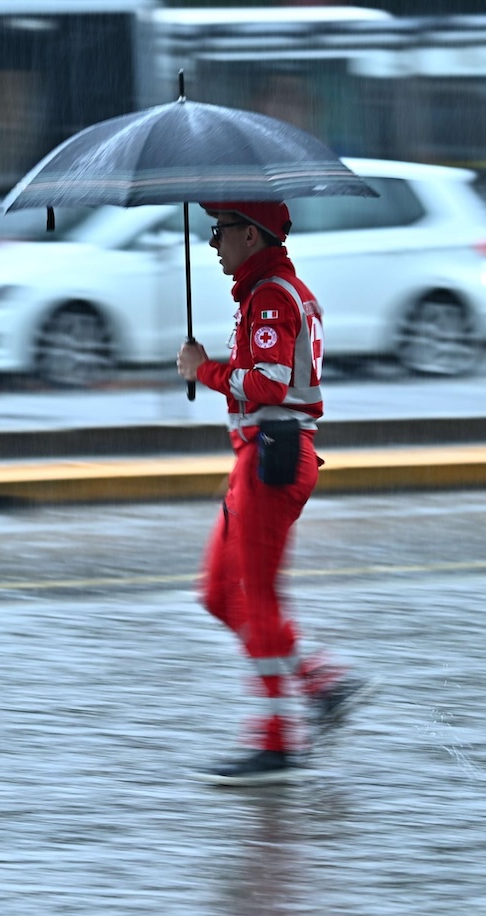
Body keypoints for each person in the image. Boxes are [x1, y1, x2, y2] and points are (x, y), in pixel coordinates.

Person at [176, 200, 372, 785]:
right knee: (217, 593)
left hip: (274, 455)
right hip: (259, 457)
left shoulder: (271, 296)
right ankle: (319, 680)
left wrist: (203, 370)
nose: (214, 243)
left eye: (221, 230)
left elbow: (268, 382)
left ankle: (276, 740)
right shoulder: (267, 292)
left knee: (256, 597)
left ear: (252, 234)